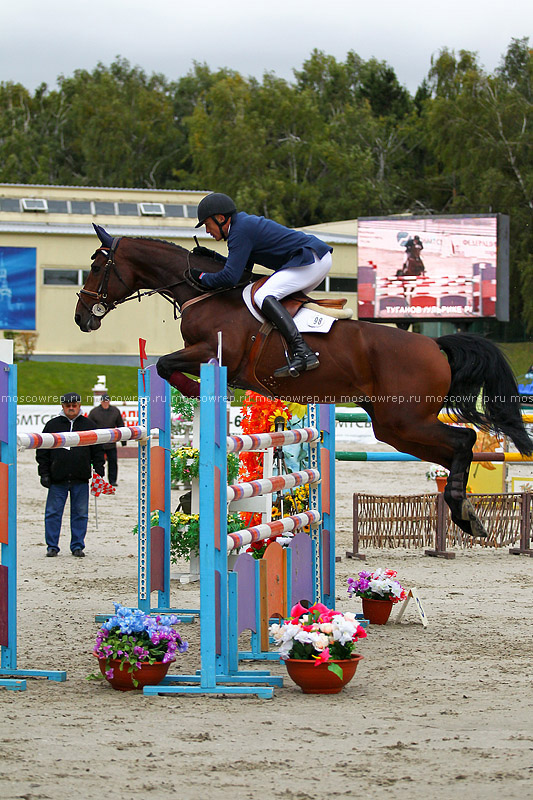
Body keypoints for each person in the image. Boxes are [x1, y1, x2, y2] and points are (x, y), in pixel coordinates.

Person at [187, 192, 333, 378]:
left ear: (221, 218)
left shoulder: (239, 232)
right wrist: (213, 257)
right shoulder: (242, 226)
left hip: (310, 259)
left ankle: (303, 351)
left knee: (262, 296)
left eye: (207, 225)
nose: (207, 231)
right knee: (279, 304)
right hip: (314, 259)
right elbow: (242, 272)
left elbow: (231, 277)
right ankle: (296, 352)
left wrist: (201, 277)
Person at [36, 392, 105, 557]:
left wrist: (99, 470)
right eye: (68, 406)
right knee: (53, 513)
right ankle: (52, 546)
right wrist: (43, 473)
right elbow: (42, 451)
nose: (71, 408)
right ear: (63, 406)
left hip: (80, 478)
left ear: (79, 405)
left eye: (74, 405)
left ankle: (77, 546)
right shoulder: (52, 425)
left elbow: (97, 449)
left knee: (80, 513)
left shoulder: (89, 425)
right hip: (57, 478)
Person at [88, 394, 125, 486]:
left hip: (111, 442)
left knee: (113, 462)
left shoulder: (115, 411)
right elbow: (89, 426)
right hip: (98, 442)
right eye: (104, 401)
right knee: (98, 463)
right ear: (101, 401)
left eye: (107, 401)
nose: (105, 403)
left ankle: (112, 480)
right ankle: (98, 480)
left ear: (109, 401)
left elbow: (120, 425)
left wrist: (123, 440)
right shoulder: (94, 412)